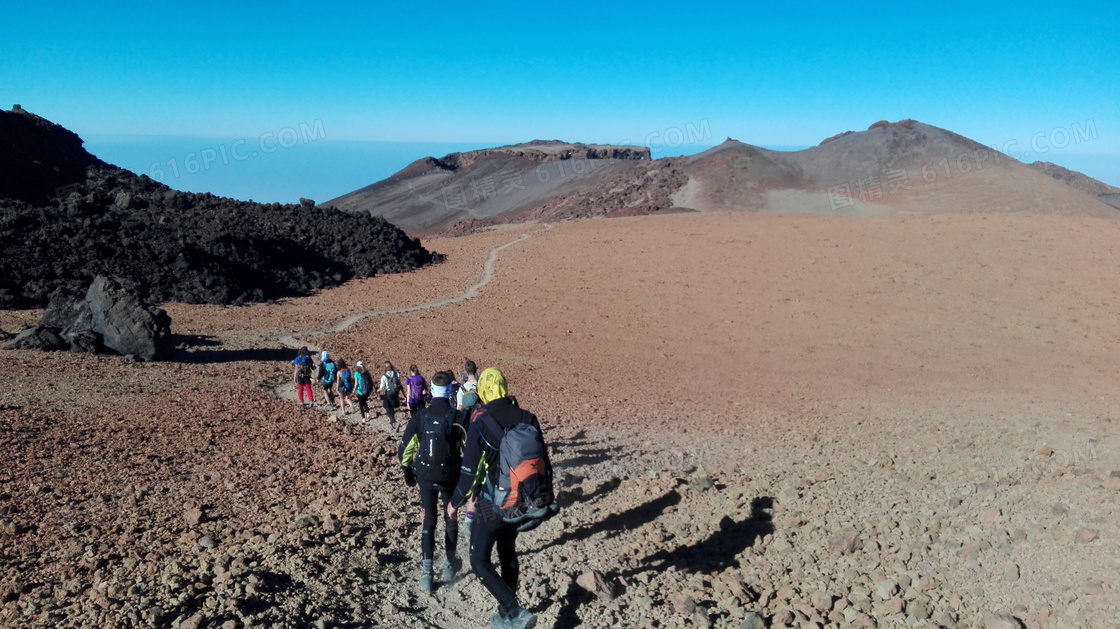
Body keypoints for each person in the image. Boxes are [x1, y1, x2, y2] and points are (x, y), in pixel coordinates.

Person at [450, 368, 550, 629]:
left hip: (489, 502)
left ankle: (514, 612)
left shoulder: (480, 419)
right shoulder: (528, 417)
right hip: (520, 501)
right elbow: (544, 463)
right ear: (504, 387)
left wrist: (454, 503)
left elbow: (469, 472)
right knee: (507, 551)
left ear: (483, 390)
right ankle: (506, 614)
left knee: (479, 560)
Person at [398, 372, 466, 592]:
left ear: (432, 390)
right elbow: (470, 449)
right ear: (451, 391)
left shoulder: (420, 417)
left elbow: (405, 449)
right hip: (449, 477)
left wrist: (407, 469)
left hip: (426, 477)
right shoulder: (457, 417)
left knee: (428, 521)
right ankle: (448, 564)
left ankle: (427, 575)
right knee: (450, 518)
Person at [380, 362, 403, 430]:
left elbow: (381, 387)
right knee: (392, 408)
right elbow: (400, 385)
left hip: (388, 394)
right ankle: (392, 425)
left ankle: (394, 422)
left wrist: (376, 391)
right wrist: (404, 394)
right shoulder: (397, 374)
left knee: (387, 408)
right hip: (395, 394)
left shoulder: (384, 376)